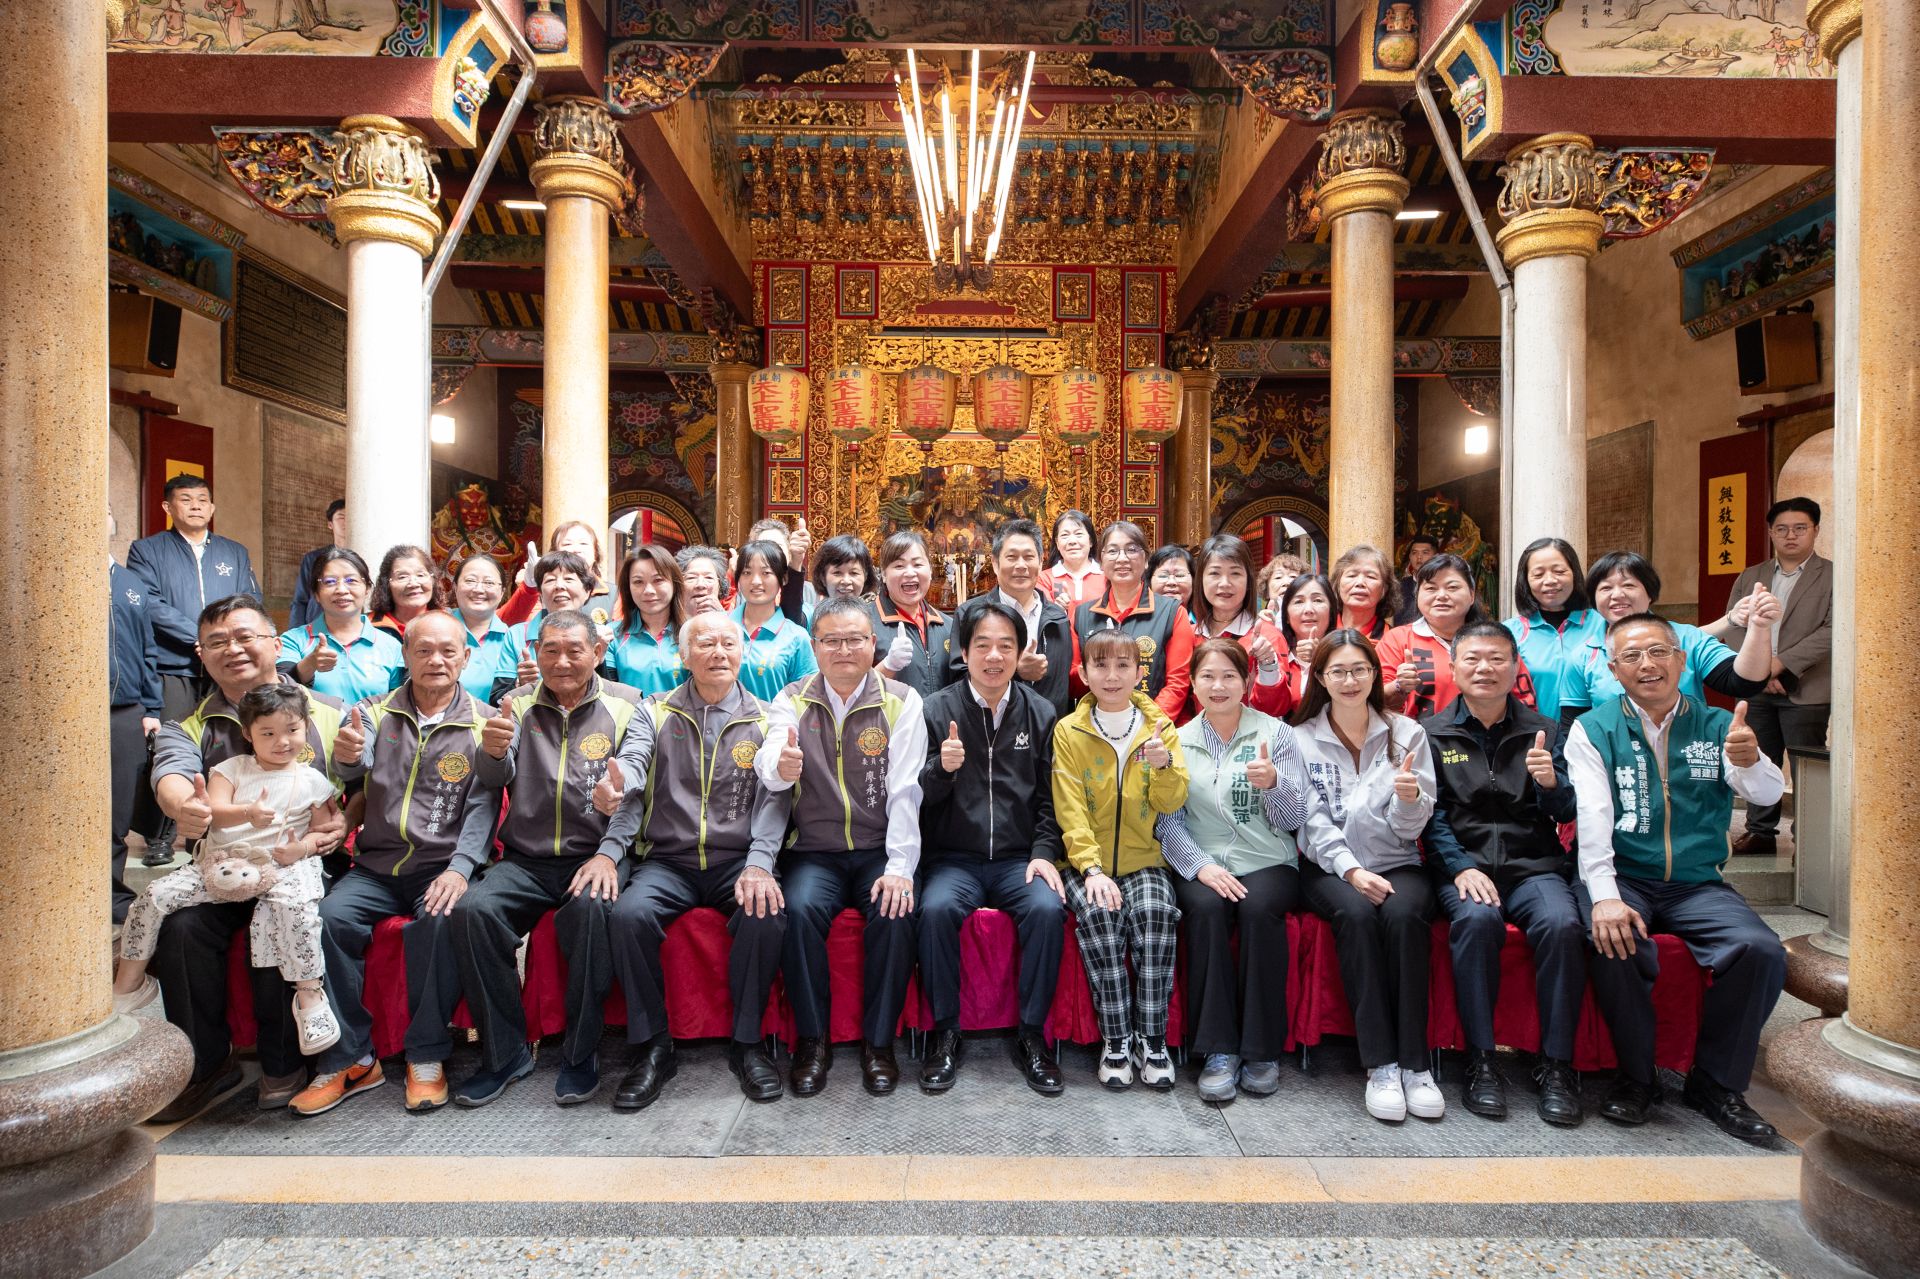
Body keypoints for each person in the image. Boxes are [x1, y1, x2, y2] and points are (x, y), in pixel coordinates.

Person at [1566, 614, 1787, 1142]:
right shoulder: (1592, 728)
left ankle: (1715, 1084)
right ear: (1614, 670)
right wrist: (1603, 898)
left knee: (1760, 950)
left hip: (1696, 883)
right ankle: (1637, 1077)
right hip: (1625, 875)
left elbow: (1766, 794)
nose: (1648, 665)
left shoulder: (1717, 726)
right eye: (1633, 657)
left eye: (1659, 652)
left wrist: (1752, 759)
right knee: (1614, 942)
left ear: (1681, 660)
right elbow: (1593, 822)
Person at [291, 612, 502, 1116]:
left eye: (448, 651)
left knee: (437, 919)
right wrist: (345, 757)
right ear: (405, 655)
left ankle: (426, 1056)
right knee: (329, 919)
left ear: (466, 658)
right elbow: (352, 772)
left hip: (441, 865)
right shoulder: (373, 712)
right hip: (377, 865)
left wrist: (460, 867)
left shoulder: (484, 722)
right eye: (424, 650)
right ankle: (351, 1060)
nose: (436, 661)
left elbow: (484, 806)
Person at [146, 595, 348, 1117]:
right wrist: (186, 806)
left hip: (299, 862)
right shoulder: (188, 725)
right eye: (217, 642)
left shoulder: (325, 712)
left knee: (279, 917)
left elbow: (358, 783)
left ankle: (286, 1062)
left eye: (245, 636)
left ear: (275, 643)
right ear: (201, 654)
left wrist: (346, 820)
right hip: (224, 869)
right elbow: (171, 775)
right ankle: (207, 1065)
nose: (232, 649)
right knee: (183, 928)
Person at [449, 610, 654, 1108]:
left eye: (574, 650)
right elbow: (493, 782)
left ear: (598, 654)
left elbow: (633, 798)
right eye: (550, 651)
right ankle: (505, 1053)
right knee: (473, 913)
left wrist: (608, 855)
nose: (561, 662)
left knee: (590, 911)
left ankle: (581, 1054)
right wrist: (492, 754)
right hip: (527, 857)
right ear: (536, 653)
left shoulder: (628, 706)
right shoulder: (516, 704)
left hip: (597, 854)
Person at [602, 610, 792, 1108]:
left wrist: (760, 863)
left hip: (736, 858)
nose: (718, 653)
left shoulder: (768, 716)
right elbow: (634, 763)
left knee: (765, 910)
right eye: (705, 644)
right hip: (669, 859)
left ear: (742, 652)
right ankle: (652, 1046)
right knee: (628, 915)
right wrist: (619, 780)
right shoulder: (655, 711)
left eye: (728, 643)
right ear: (683, 656)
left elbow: (776, 800)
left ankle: (747, 1042)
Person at [755, 598, 926, 1096]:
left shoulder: (901, 700)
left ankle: (879, 1044)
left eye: (855, 639)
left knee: (895, 911)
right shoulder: (793, 697)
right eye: (831, 640)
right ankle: (813, 1042)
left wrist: (899, 867)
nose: (844, 650)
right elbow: (770, 756)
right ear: (815, 647)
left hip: (878, 846)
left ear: (873, 643)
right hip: (815, 848)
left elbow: (905, 790)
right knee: (800, 909)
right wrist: (778, 768)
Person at [117, 684, 342, 1056]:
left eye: (292, 730)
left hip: (281, 865)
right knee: (155, 895)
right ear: (247, 734)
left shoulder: (313, 780)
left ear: (305, 728)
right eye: (268, 733)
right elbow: (214, 809)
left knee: (296, 909)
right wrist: (248, 813)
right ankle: (129, 981)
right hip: (225, 862)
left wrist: (301, 847)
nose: (282, 741)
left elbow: (322, 829)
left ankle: (309, 995)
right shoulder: (231, 768)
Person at [1420, 621, 1584, 1126]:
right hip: (1463, 868)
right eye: (1472, 659)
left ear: (1516, 668)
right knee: (1476, 922)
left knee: (1562, 925)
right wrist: (1461, 867)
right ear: (1454, 668)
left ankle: (1556, 1064)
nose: (1484, 669)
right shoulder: (1431, 732)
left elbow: (1565, 811)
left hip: (1533, 866)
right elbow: (1431, 815)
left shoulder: (1546, 730)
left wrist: (1551, 784)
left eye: (1496, 659)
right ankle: (1481, 1059)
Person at [1291, 630, 1442, 1123]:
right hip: (1329, 867)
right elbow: (1308, 822)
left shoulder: (1407, 734)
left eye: (1360, 669)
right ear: (1320, 678)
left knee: (1403, 916)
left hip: (1399, 860)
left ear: (1376, 674)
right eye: (1338, 671)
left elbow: (1412, 828)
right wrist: (1352, 871)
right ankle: (1382, 1064)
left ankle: (1417, 1066)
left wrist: (1408, 798)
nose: (1350, 680)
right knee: (1355, 916)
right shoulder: (1299, 737)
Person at [917, 600, 1067, 1095]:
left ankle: (1032, 1036)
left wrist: (1043, 853)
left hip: (1016, 859)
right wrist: (943, 769)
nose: (994, 656)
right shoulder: (936, 710)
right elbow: (916, 797)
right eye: (982, 644)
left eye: (1006, 645)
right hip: (954, 858)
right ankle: (945, 1033)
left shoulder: (1040, 712)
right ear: (964, 652)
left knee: (1047, 909)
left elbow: (1051, 798)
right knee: (936, 909)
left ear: (1020, 652)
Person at [1156, 639, 1315, 1103]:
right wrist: (1200, 867)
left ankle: (1261, 1050)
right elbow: (1169, 820)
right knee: (1204, 911)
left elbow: (1292, 820)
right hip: (1203, 862)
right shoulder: (1177, 741)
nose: (1218, 686)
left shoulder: (1276, 734)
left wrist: (1274, 786)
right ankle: (1218, 1050)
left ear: (1248, 682)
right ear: (1193, 684)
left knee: (1258, 909)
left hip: (1268, 860)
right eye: (1208, 676)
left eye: (1229, 676)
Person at [1053, 628, 1189, 1089]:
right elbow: (1068, 807)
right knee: (1100, 914)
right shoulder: (1069, 730)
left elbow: (1171, 804)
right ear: (1084, 673)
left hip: (1144, 859)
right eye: (1101, 666)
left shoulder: (1161, 729)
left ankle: (1152, 1039)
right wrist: (1090, 868)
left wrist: (1164, 765)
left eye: (1123, 666)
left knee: (1155, 911)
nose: (1112, 676)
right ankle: (1115, 1040)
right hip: (1084, 864)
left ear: (1139, 673)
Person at [1713, 498, 1832, 857]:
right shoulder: (1751, 576)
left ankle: (1807, 841)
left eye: (1800, 528)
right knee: (1756, 756)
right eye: (1782, 529)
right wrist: (1758, 673)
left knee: (1805, 763)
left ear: (1815, 530)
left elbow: (1833, 630)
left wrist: (1781, 665)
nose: (1790, 535)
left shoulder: (1833, 575)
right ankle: (1760, 832)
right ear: (1770, 533)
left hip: (1807, 687)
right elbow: (1732, 625)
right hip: (1756, 688)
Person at [1567, 551, 1775, 728]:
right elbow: (1574, 724)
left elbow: (1744, 682)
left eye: (1628, 585)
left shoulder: (1687, 638)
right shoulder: (1584, 655)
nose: (1617, 595)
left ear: (1650, 593)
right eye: (1605, 588)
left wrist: (1759, 628)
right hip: (1615, 765)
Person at [127, 473, 262, 719]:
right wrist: (202, 637)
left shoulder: (235, 552)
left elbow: (250, 601)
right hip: (174, 668)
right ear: (167, 507)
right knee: (174, 739)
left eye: (202, 499)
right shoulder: (146, 550)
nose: (196, 505)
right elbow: (150, 603)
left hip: (227, 664)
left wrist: (223, 641)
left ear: (212, 508)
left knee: (228, 738)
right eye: (186, 499)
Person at [943, 519, 1073, 717]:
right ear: (995, 563)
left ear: (1040, 562)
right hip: (989, 732)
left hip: (1046, 734)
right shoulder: (970, 614)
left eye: (1029, 557)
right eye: (1012, 557)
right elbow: (957, 679)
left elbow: (1061, 689)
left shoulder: (1058, 618)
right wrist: (1015, 671)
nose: (1021, 565)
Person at [1071, 520, 1196, 721]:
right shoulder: (1083, 614)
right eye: (1112, 551)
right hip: (1098, 726)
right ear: (1101, 562)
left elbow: (1177, 683)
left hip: (1153, 731)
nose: (1122, 558)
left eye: (1131, 550)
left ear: (1146, 560)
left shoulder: (1172, 613)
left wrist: (1143, 726)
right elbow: (1075, 678)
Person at [110, 514, 165, 920]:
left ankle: (110, 891)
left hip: (126, 711)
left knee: (117, 807)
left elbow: (149, 651)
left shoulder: (130, 584)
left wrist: (151, 708)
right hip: (71, 711)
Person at [1376, 553, 1506, 720]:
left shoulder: (1496, 640)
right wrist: (1399, 685)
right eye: (1431, 588)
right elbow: (1374, 703)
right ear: (1417, 596)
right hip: (1419, 742)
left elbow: (1521, 698)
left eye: (1452, 587)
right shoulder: (1397, 639)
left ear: (1471, 595)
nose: (1442, 595)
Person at [277, 546, 406, 705]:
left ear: (367, 589)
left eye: (351, 580)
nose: (341, 589)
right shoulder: (293, 640)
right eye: (330, 582)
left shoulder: (391, 646)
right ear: (316, 594)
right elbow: (279, 692)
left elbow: (398, 705)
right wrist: (309, 665)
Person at [1191, 533, 1293, 719]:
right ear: (1201, 580)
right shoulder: (1190, 634)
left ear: (1248, 582)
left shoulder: (1267, 636)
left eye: (1235, 573)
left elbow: (1276, 708)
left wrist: (1267, 665)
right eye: (1214, 573)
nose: (1225, 583)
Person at [1503, 537, 1605, 722]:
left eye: (1559, 571)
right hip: (1532, 740)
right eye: (1538, 574)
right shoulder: (1509, 632)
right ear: (1525, 581)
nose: (1549, 580)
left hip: (1596, 741)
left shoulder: (1602, 625)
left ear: (1574, 573)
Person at [864, 530, 953, 698]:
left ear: (930, 569)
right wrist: (888, 665)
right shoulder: (864, 622)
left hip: (939, 724)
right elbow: (850, 690)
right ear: (883, 574)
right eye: (899, 566)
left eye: (917, 564)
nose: (910, 573)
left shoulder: (948, 625)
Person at [732, 539, 817, 701]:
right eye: (747, 573)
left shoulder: (797, 637)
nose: (756, 581)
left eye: (766, 573)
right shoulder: (721, 627)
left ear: (783, 578)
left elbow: (808, 697)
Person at [605, 545, 687, 696]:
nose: (648, 590)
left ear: (674, 583)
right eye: (638, 582)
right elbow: (609, 693)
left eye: (658, 580)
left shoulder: (691, 634)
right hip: (630, 719)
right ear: (628, 587)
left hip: (681, 719)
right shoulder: (612, 635)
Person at [499, 519, 611, 626]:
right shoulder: (539, 588)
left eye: (583, 544)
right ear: (555, 553)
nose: (576, 549)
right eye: (567, 544)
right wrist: (529, 587)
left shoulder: (613, 594)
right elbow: (506, 626)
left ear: (595, 553)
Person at [449, 553, 518, 703]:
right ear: (455, 587)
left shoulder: (513, 639)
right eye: (470, 581)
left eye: (489, 583)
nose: (479, 589)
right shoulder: (438, 629)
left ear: (502, 592)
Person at [1276, 573, 1335, 706]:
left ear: (1331, 612)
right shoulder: (1276, 657)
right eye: (1299, 602)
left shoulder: (1347, 652)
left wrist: (1321, 660)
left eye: (1318, 600)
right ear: (1286, 616)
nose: (1308, 609)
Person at [289, 499, 347, 629]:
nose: (346, 522)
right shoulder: (313, 559)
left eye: (350, 517)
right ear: (330, 524)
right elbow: (300, 600)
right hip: (317, 627)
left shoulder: (367, 555)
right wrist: (295, 633)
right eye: (341, 517)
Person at [368, 544, 443, 640]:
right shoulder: (368, 627)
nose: (413, 584)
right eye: (402, 577)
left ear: (433, 579)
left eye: (420, 575)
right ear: (386, 583)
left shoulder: (449, 622)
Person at [1328, 544, 1397, 641]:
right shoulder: (1321, 632)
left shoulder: (1393, 641)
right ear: (1338, 584)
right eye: (1352, 575)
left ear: (1384, 589)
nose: (1360, 583)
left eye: (1371, 577)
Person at [1040, 509, 1105, 609]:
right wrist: (1057, 609)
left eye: (1078, 534)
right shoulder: (1044, 579)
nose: (1072, 541)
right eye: (1065, 535)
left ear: (1091, 540)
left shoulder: (1107, 576)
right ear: (1057, 543)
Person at [810, 533, 878, 603]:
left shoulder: (874, 612)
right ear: (823, 578)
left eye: (854, 573)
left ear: (865, 576)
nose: (846, 581)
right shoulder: (812, 613)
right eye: (837, 573)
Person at [1395, 534, 1440, 625]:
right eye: (1414, 553)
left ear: (1436, 557)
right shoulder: (1398, 586)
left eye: (1425, 552)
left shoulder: (1443, 586)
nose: (1419, 557)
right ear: (1410, 557)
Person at [678, 545, 731, 617]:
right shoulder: (664, 626)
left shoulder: (734, 625)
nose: (700, 584)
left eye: (709, 578)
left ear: (720, 586)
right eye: (691, 577)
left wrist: (721, 617)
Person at [1147, 545, 1195, 616]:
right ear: (1149, 581)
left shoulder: (1204, 623)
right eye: (1163, 576)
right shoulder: (1138, 621)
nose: (1171, 582)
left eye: (1180, 575)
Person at [1258, 553, 1307, 620]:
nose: (1286, 582)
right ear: (1266, 591)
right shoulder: (1261, 625)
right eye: (1278, 577)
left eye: (1293, 576)